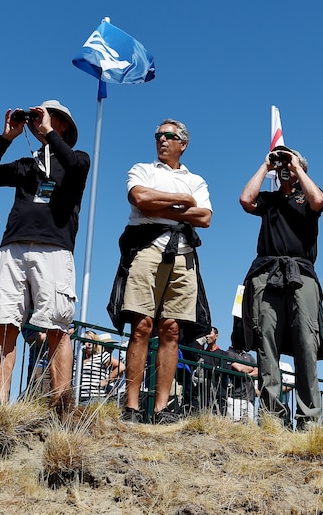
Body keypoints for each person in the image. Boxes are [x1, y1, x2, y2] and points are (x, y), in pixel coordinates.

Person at [0, 101, 90, 413]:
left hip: (54, 247)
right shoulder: (27, 165)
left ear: (62, 125)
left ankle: (61, 404)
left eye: (49, 117)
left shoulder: (76, 159)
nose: (40, 121)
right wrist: (7, 137)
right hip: (13, 245)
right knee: (4, 322)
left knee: (56, 325)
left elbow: (77, 170)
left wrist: (49, 132)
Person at [108, 119, 212, 425]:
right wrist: (181, 202)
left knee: (171, 330)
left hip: (183, 254)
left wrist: (157, 207)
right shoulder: (142, 170)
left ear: (183, 144)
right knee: (141, 326)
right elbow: (139, 199)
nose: (162, 140)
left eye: (169, 135)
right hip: (146, 250)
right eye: (158, 135)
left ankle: (161, 408)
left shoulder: (197, 180)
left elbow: (204, 217)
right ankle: (131, 406)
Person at [240, 145, 323, 429]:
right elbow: (245, 199)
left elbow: (319, 202)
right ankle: (272, 418)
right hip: (267, 273)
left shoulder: (308, 195)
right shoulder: (269, 200)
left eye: (287, 162)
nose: (284, 168)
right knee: (266, 342)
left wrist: (298, 168)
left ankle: (309, 419)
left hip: (301, 273)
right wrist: (265, 166)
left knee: (306, 342)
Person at [78, 331, 120, 404]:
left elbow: (121, 366)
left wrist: (106, 381)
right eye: (85, 341)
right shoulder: (77, 359)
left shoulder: (102, 356)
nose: (88, 344)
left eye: (91, 341)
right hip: (78, 397)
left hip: (94, 398)